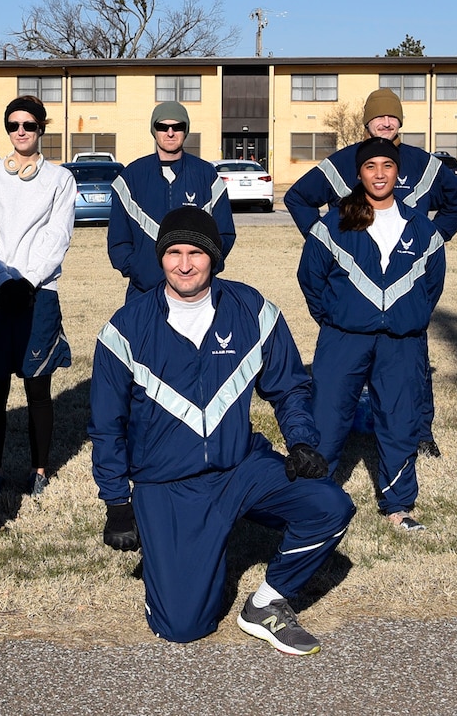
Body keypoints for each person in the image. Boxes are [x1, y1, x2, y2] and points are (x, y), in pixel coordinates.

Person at [90, 208, 353, 655]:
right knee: (183, 627)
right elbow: (106, 426)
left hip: (240, 466)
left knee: (330, 505)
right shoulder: (126, 329)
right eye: (174, 252)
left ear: (215, 257)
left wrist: (302, 440)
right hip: (168, 482)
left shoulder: (252, 310)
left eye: (196, 252)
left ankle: (267, 602)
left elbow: (289, 387)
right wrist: (117, 502)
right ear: (161, 257)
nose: (185, 264)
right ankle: (179, 558)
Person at [285, 88, 457, 458]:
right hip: (355, 289)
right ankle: (345, 434)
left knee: (412, 366)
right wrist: (325, 243)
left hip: (403, 282)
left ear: (401, 121)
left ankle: (419, 432)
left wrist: (435, 238)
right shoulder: (342, 163)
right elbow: (297, 197)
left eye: (392, 116)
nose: (386, 122)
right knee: (344, 376)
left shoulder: (425, 164)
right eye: (378, 117)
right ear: (366, 122)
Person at [297, 138, 446, 532]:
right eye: (370, 167)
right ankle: (314, 500)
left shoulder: (421, 227)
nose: (379, 174)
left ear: (398, 172)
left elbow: (432, 286)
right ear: (358, 173)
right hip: (343, 339)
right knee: (327, 417)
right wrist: (337, 317)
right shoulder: (333, 223)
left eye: (387, 166)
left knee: (399, 418)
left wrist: (405, 316)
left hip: (402, 341)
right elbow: (310, 279)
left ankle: (398, 505)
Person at [0, 95, 77, 497]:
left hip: (39, 294)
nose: (21, 132)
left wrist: (29, 281)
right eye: (14, 125)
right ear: (5, 129)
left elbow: (58, 237)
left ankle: (40, 470)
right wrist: (4, 277)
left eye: (29, 126)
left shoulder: (60, 179)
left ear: (40, 130)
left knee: (38, 388)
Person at [107, 101, 235, 302]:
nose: (170, 132)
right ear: (154, 130)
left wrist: (208, 269)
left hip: (197, 294)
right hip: (143, 293)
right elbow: (118, 240)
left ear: (186, 131)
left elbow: (225, 233)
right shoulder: (131, 177)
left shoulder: (206, 175)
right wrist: (138, 270)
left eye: (177, 127)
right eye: (162, 127)